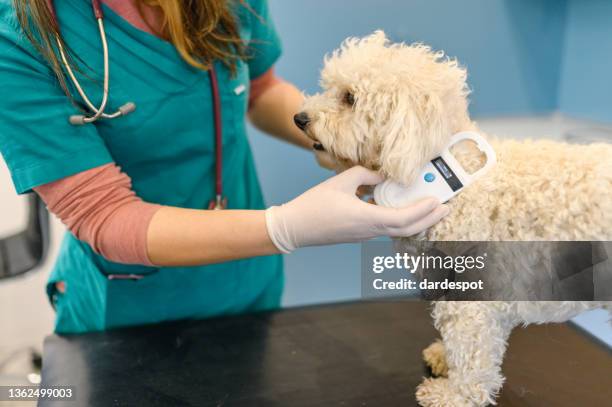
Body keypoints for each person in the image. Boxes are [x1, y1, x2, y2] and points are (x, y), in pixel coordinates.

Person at [0, 0, 449, 333]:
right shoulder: (21, 38)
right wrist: (286, 227)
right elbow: (103, 214)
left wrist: (341, 139)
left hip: (248, 286)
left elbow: (259, 88)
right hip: (130, 310)